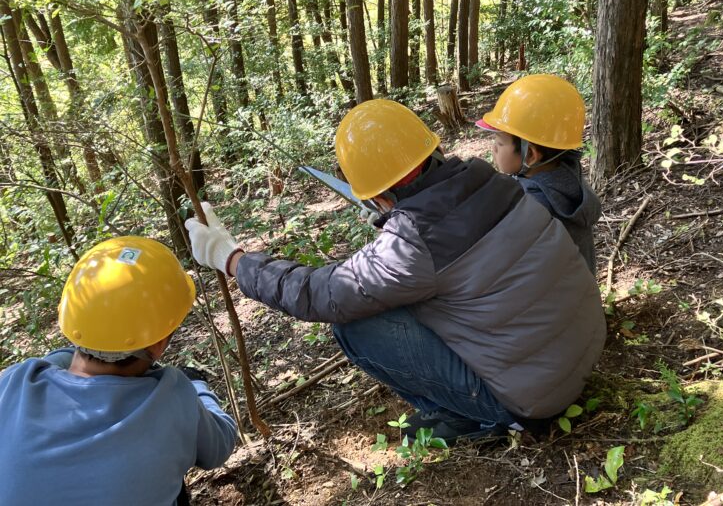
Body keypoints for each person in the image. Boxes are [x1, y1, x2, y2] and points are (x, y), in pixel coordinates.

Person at [186, 99, 605, 444]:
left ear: (381, 197)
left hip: (532, 398)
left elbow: (321, 293)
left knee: (353, 326)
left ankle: (478, 417)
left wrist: (233, 259)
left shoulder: (413, 246)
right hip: (582, 350)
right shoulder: (500, 184)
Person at [0, 236, 238, 506]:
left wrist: (98, 342)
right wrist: (198, 388)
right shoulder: (171, 396)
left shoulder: (14, 382)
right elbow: (220, 446)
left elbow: (59, 360)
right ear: (159, 344)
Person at [476, 74, 601, 274]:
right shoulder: (568, 182)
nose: (494, 150)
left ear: (531, 155)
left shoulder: (530, 208)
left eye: (499, 142)